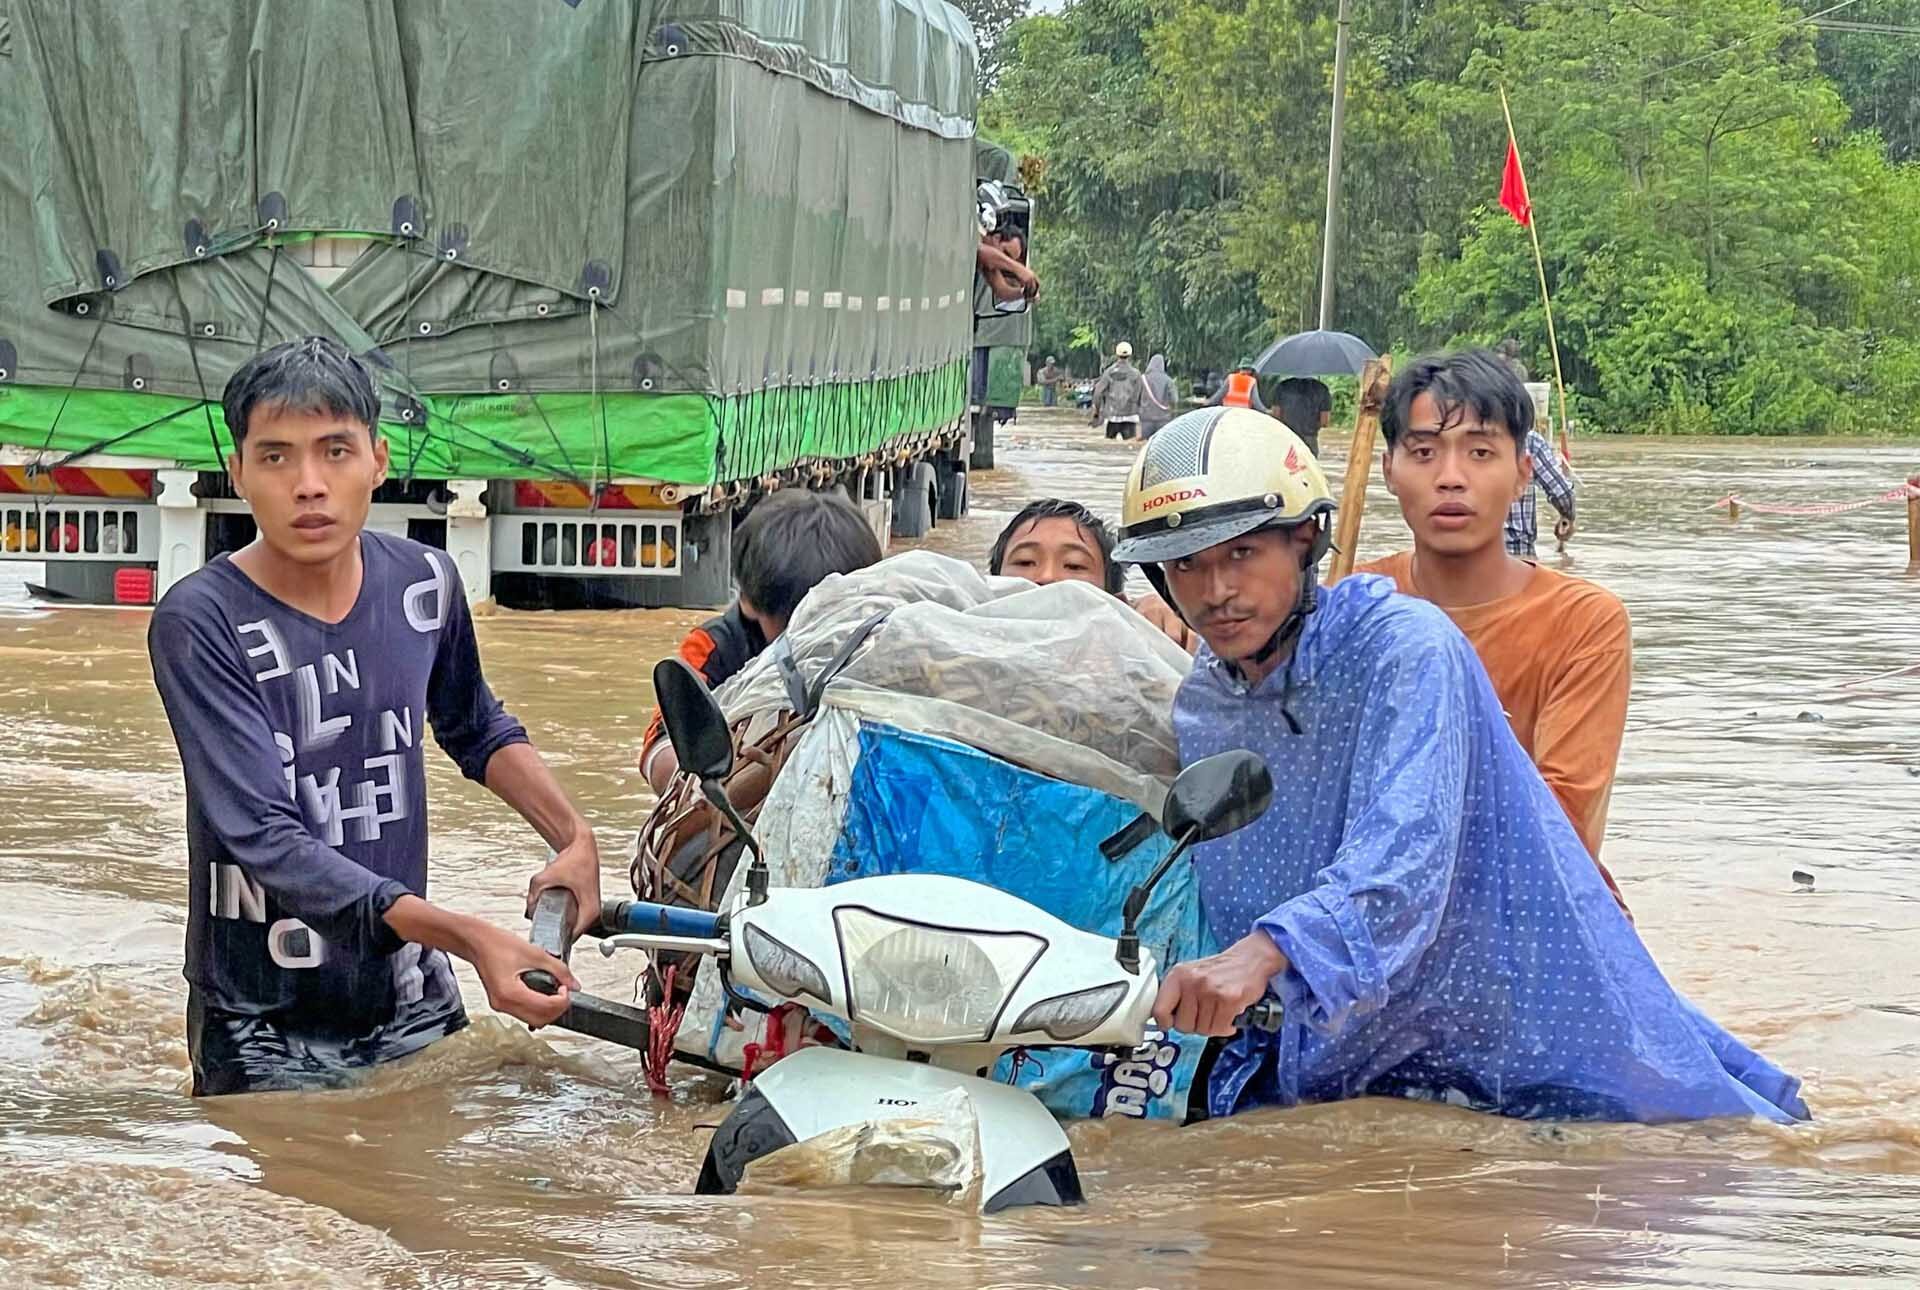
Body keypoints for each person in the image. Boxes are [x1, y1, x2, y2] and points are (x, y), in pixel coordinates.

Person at [1110, 406, 1806, 1125]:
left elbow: (1406, 857)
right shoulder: (1205, 698)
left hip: (1508, 1028)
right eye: (1187, 564)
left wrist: (1268, 951)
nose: (1216, 591)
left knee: (1660, 1159)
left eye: (1243, 554)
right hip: (1340, 1053)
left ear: (1305, 540)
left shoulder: (1404, 648)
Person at [147, 336, 600, 1097]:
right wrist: (466, 935)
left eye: (335, 451)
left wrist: (574, 837)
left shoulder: (424, 583)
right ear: (238, 474)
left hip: (406, 992)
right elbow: (264, 835)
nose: (310, 485)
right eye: (277, 457)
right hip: (263, 1019)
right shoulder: (200, 622)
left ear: (379, 461)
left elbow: (474, 725)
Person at [1358, 349, 1629, 909]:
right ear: (1388, 470)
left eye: (1481, 452)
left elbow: (1562, 825)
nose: (1451, 478)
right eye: (1425, 452)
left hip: (1525, 909)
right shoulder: (1352, 605)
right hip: (1369, 905)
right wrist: (1180, 624)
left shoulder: (1584, 623)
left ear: (1522, 473)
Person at [639, 488, 883, 793]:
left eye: (823, 620)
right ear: (749, 601)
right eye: (796, 620)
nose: (810, 638)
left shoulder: (884, 643)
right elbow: (657, 751)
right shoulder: (714, 648)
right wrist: (735, 770)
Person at [988, 497, 1197, 651]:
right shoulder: (962, 643)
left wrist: (1155, 616)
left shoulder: (1134, 667)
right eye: (1024, 561)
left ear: (1116, 601)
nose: (1047, 577)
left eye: (1074, 565)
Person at [1509, 424, 1577, 557]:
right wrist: (1568, 517)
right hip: (1519, 557)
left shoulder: (1465, 438)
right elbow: (1563, 494)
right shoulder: (1529, 441)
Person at [1090, 342, 1146, 441]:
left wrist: (1096, 412)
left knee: (1109, 448)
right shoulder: (1136, 374)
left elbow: (1098, 393)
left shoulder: (1109, 372)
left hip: (1112, 416)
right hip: (1130, 416)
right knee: (1129, 447)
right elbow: (1141, 396)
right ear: (1130, 355)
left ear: (1116, 354)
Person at [1271, 377, 1332, 457]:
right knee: (1309, 467)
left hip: (1287, 437)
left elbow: (1276, 416)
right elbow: (1324, 422)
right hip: (1310, 438)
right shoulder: (1322, 388)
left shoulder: (1282, 386)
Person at [1139, 354, 1177, 439]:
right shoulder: (1168, 380)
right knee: (1161, 443)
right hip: (1163, 419)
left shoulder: (1143, 379)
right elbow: (1174, 399)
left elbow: (1136, 398)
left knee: (1145, 444)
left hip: (1146, 418)